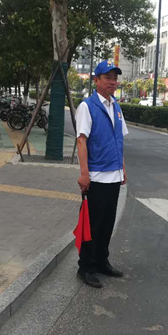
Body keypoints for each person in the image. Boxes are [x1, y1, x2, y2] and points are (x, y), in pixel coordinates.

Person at [75, 60, 129, 288]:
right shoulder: (87, 107)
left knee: (107, 224)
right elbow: (81, 141)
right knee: (93, 225)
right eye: (107, 78)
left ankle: (101, 261)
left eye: (115, 78)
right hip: (96, 176)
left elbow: (119, 140)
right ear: (96, 80)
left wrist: (122, 168)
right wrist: (84, 174)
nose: (112, 82)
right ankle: (86, 267)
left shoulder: (116, 106)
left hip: (114, 176)